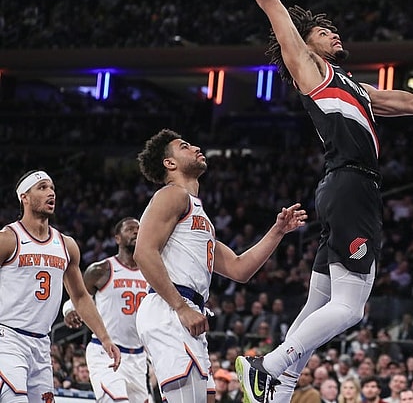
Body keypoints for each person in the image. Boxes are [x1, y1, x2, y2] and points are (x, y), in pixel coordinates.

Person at [235, 0, 413, 402]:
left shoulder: (356, 87)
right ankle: (265, 367)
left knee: (318, 304)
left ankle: (279, 391)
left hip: (344, 188)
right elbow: (270, 0)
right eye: (323, 31)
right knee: (351, 308)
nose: (334, 33)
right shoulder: (310, 69)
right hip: (351, 186)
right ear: (306, 44)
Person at [133, 129, 307, 402]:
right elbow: (143, 253)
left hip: (187, 309)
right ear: (170, 163)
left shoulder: (199, 214)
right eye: (185, 146)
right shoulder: (171, 195)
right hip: (169, 308)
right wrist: (180, 307)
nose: (196, 148)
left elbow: (239, 269)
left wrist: (277, 232)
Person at [0, 170, 121, 402]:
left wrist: (105, 338)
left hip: (42, 343)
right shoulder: (8, 239)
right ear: (24, 197)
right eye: (43, 187)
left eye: (52, 188)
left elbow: (81, 297)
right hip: (7, 338)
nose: (51, 193)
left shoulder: (66, 245)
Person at [62, 217, 149, 403]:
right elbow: (77, 297)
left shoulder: (151, 272)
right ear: (117, 238)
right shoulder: (101, 270)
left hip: (139, 358)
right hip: (106, 353)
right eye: (130, 229)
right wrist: (69, 310)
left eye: (139, 229)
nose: (136, 232)